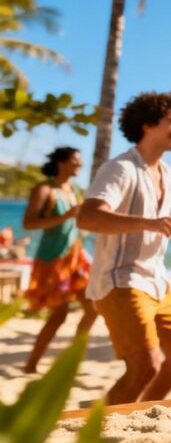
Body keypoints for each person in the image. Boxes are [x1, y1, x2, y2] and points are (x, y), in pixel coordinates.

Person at [77, 92, 171, 405]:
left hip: (156, 281)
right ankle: (96, 428)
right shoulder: (120, 169)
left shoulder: (167, 174)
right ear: (147, 125)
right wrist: (147, 223)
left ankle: (139, 411)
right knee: (145, 366)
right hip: (120, 281)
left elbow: (170, 221)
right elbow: (88, 216)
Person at [21, 147, 99, 373]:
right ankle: (32, 364)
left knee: (94, 305)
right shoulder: (44, 190)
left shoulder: (73, 189)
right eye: (76, 160)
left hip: (75, 256)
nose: (80, 164)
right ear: (61, 163)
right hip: (52, 258)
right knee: (59, 314)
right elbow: (29, 223)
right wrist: (66, 216)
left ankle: (71, 359)